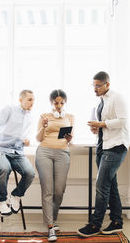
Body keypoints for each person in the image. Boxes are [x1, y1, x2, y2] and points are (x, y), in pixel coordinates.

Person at [77, 71, 129, 237]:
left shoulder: (117, 97)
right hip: (103, 146)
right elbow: (104, 127)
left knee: (101, 186)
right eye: (93, 86)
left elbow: (122, 121)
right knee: (110, 186)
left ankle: (95, 224)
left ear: (107, 84)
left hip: (116, 146)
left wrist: (102, 123)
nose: (95, 89)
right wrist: (96, 128)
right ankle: (116, 221)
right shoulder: (101, 102)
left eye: (98, 86)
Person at [0, 90, 36, 216]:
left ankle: (15, 196)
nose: (32, 103)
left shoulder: (29, 116)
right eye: (29, 100)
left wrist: (26, 141)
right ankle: (0, 201)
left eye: (33, 100)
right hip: (1, 149)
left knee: (30, 173)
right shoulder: (10, 109)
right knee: (4, 168)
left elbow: (23, 135)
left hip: (17, 152)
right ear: (20, 100)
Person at [35, 89, 74, 242]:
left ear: (65, 103)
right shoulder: (44, 116)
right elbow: (38, 138)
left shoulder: (70, 117)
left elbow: (69, 138)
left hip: (62, 153)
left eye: (62, 103)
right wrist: (43, 127)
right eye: (56, 103)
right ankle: (50, 226)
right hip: (44, 152)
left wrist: (70, 138)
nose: (59, 106)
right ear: (51, 102)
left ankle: (53, 218)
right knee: (48, 190)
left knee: (59, 190)